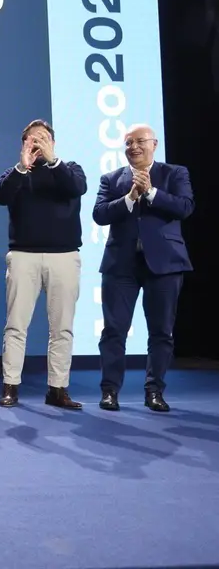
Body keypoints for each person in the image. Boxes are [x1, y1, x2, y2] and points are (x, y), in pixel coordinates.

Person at [92, 123, 193, 412]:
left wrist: (151, 193)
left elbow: (185, 207)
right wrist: (129, 198)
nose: (134, 147)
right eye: (128, 143)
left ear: (154, 144)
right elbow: (99, 214)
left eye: (140, 141)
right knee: (114, 331)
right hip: (120, 265)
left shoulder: (174, 173)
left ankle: (154, 391)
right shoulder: (111, 179)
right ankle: (110, 391)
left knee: (161, 332)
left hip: (165, 264)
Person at [0, 119, 87, 410]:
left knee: (62, 328)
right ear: (24, 144)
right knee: (16, 326)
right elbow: (0, 197)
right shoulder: (15, 174)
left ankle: (57, 389)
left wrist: (53, 161)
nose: (38, 143)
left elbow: (76, 188)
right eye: (32, 139)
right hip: (24, 256)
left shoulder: (70, 169)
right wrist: (22, 168)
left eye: (43, 138)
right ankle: (10, 387)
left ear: (53, 143)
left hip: (64, 256)